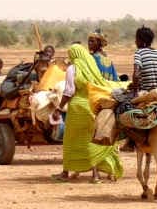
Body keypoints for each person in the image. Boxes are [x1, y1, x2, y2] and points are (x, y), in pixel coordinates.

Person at [52, 44, 123, 183]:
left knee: (71, 141)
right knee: (91, 141)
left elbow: (69, 91)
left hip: (77, 108)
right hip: (92, 106)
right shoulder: (92, 67)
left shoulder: (72, 69)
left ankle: (65, 172)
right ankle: (95, 175)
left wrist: (59, 107)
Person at [132, 26, 157, 92]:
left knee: (118, 93)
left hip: (146, 92)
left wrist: (135, 92)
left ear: (141, 41)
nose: (135, 41)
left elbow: (136, 75)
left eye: (136, 39)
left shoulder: (139, 53)